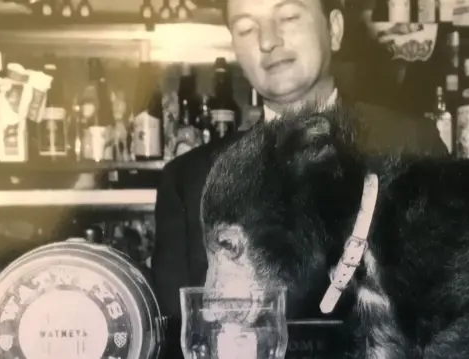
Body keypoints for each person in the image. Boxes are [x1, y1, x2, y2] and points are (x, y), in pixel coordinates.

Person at [151, 0, 448, 357]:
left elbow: (455, 315)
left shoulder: (412, 147)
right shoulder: (190, 178)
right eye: (246, 28)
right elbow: (174, 338)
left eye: (288, 16)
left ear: (334, 30)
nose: (268, 41)